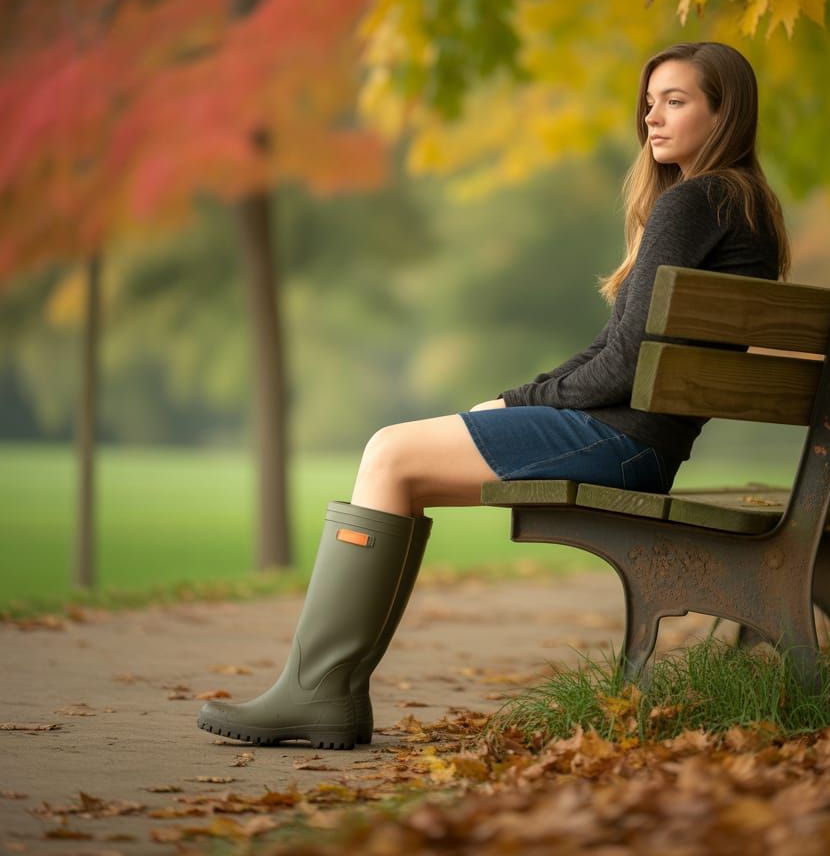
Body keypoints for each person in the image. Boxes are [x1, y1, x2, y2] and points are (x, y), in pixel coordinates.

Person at [197, 41, 791, 749]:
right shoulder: (744, 208)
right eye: (649, 99)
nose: (650, 117)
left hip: (627, 441)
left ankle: (319, 693)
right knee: (397, 459)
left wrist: (517, 404)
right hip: (645, 441)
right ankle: (324, 690)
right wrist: (520, 397)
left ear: (725, 114)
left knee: (389, 454)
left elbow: (624, 364)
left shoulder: (696, 202)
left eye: (676, 100)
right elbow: (614, 352)